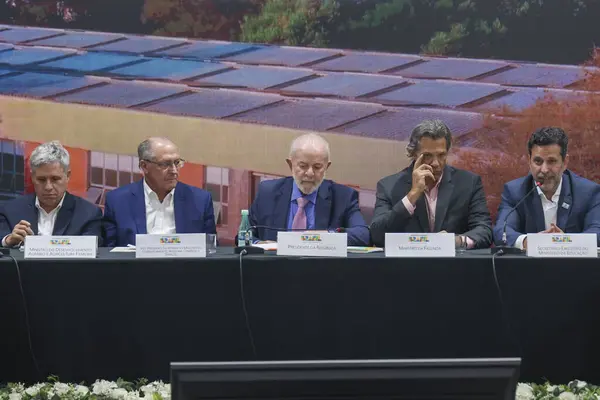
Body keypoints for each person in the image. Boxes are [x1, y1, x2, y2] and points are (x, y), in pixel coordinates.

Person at [370, 119, 493, 248]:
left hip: (454, 265)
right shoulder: (389, 186)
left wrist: (457, 241)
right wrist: (412, 195)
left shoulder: (469, 183)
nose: (436, 163)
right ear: (414, 154)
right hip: (408, 265)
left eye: (441, 155)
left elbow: (484, 230)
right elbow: (377, 236)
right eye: (428, 156)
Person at [249, 133, 370, 246]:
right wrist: (262, 245)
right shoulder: (268, 192)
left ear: (327, 167)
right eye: (303, 166)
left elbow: (363, 235)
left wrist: (326, 236)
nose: (310, 173)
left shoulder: (343, 196)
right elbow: (244, 236)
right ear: (290, 165)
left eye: (317, 167)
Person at [494, 127, 600, 248]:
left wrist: (565, 241)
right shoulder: (515, 191)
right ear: (529, 161)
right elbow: (501, 232)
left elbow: (597, 233)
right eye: (538, 161)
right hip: (530, 266)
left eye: (551, 161)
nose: (544, 170)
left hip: (573, 266)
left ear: (565, 162)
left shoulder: (589, 192)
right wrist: (528, 242)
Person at [103, 137, 216, 247]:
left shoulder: (200, 200)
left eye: (177, 163)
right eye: (165, 164)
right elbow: (108, 252)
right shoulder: (118, 201)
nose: (174, 171)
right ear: (144, 166)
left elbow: (211, 250)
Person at [0, 141, 102, 247]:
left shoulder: (88, 214)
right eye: (41, 179)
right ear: (32, 177)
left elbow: (92, 252)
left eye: (55, 179)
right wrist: (8, 240)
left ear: (67, 176)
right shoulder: (10, 210)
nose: (48, 187)